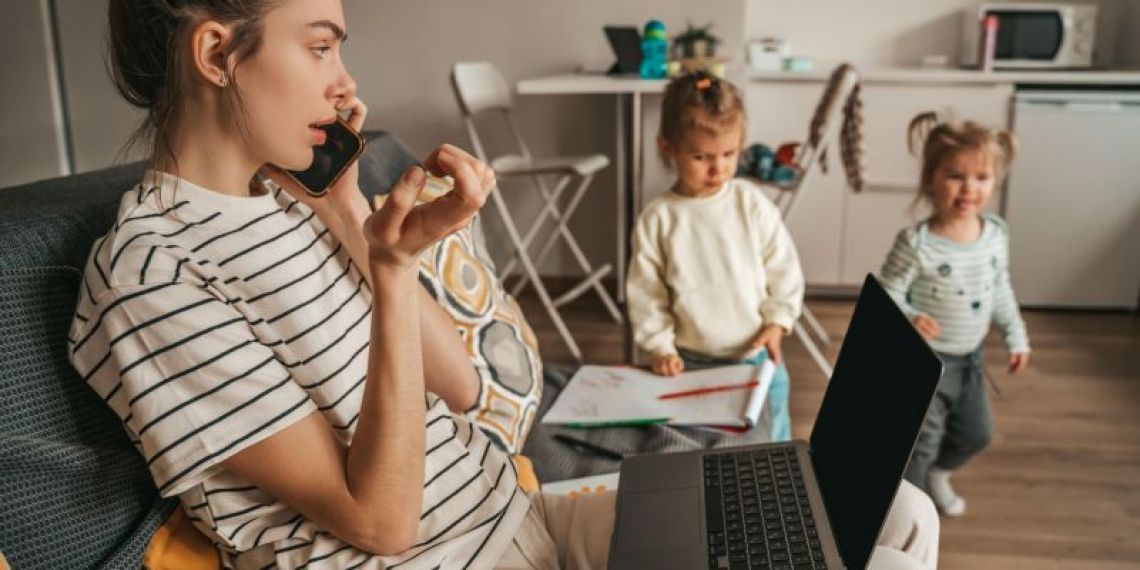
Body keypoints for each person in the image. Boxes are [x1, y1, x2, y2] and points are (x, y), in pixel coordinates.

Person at [68, 2, 939, 567]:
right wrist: (392, 266)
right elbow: (381, 522)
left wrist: (345, 214)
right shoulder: (151, 276)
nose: (347, 83)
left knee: (892, 513)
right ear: (218, 52)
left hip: (524, 517)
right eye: (322, 46)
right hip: (453, 559)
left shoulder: (295, 202)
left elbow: (460, 384)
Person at [626, 71, 802, 442]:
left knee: (771, 443)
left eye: (728, 154)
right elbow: (647, 293)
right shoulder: (659, 218)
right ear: (668, 148)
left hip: (755, 355)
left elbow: (783, 266)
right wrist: (659, 345)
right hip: (691, 362)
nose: (717, 167)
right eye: (701, 156)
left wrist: (778, 320)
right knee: (704, 446)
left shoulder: (749, 202)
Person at [880, 111, 1030, 517]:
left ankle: (939, 475)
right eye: (955, 176)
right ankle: (907, 514)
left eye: (981, 178)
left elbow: (1000, 287)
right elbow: (887, 293)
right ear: (930, 177)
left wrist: (1016, 335)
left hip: (970, 361)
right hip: (926, 362)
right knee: (921, 444)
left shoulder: (995, 234)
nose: (969, 189)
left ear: (994, 181)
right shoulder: (916, 243)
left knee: (977, 434)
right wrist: (910, 315)